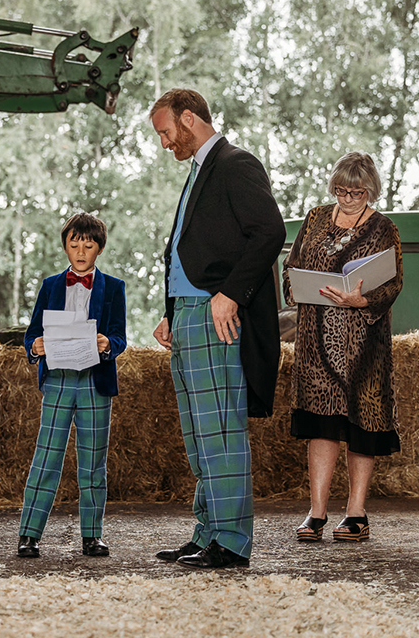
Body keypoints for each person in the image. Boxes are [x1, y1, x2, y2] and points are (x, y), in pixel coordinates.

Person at [149, 88, 286, 569]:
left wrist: (230, 293)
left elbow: (270, 231)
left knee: (221, 430)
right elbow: (198, 247)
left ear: (189, 119)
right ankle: (207, 532)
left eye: (166, 132)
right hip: (189, 314)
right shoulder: (199, 172)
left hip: (216, 314)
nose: (165, 143)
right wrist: (173, 307)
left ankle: (230, 542)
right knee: (198, 433)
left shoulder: (235, 163)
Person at [282, 152, 403, 543]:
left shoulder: (385, 228)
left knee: (360, 424)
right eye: (341, 190)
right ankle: (316, 513)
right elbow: (292, 264)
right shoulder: (316, 218)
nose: (348, 198)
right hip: (316, 339)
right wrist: (295, 287)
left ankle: (356, 514)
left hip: (364, 343)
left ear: (371, 190)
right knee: (321, 424)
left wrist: (362, 301)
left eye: (356, 192)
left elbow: (393, 282)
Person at [17, 213, 127, 559]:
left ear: (100, 248)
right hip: (59, 381)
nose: (81, 250)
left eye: (88, 244)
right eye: (74, 243)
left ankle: (91, 536)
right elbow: (32, 332)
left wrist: (107, 344)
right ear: (65, 245)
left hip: (96, 383)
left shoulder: (115, 287)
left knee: (93, 462)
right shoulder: (50, 285)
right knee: (46, 458)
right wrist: (34, 346)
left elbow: (120, 337)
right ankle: (29, 535)